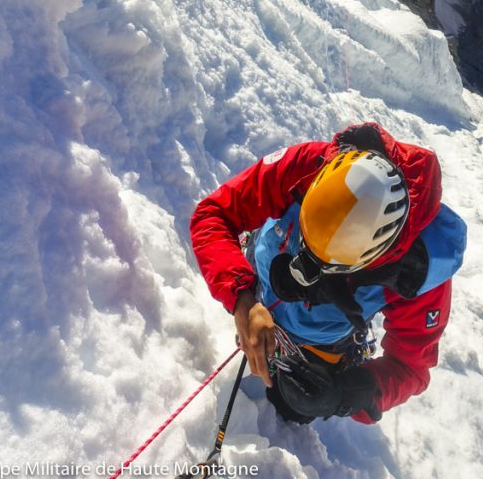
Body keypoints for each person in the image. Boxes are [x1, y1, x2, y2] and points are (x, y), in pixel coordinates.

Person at [190, 122, 466, 424]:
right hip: (262, 275)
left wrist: (347, 395)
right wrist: (242, 296)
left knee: (294, 406)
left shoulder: (417, 270)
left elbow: (410, 366)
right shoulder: (308, 165)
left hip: (320, 339)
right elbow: (213, 213)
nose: (305, 266)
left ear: (378, 255)